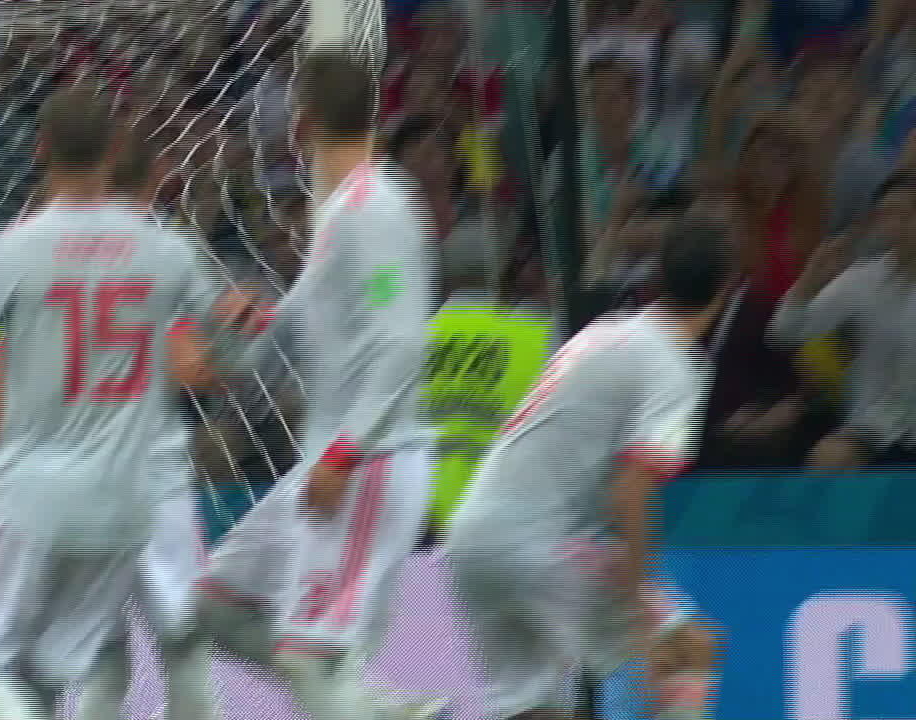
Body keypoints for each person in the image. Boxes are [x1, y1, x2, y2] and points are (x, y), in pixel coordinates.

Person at [0, 86, 247, 720]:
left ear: (39, 150)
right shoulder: (165, 247)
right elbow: (227, 333)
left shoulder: (11, 249)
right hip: (131, 498)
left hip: (35, 492)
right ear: (111, 149)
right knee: (132, 657)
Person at [192, 48, 440, 720]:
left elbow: (401, 340)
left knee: (308, 656)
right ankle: (364, 705)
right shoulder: (345, 209)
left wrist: (345, 453)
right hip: (330, 461)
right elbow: (324, 313)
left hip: (367, 461)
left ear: (300, 124)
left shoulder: (374, 209)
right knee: (215, 607)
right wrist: (260, 321)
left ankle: (356, 701)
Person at [445, 212, 733, 720]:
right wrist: (639, 595)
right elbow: (631, 485)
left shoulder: (603, 332)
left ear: (659, 275)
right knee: (689, 649)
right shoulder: (675, 364)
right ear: (727, 288)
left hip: (470, 544)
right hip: (537, 544)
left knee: (532, 710)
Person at [71, 128, 234, 720]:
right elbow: (191, 365)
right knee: (184, 639)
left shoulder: (47, 247)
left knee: (101, 653)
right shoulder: (166, 250)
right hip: (147, 469)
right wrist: (227, 353)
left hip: (71, 470)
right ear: (159, 177)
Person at [767, 174, 916, 470]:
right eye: (889, 214)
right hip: (874, 427)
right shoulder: (862, 279)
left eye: (907, 213)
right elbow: (783, 334)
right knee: (829, 457)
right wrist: (810, 281)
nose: (898, 223)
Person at [420, 222, 555, 536]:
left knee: (425, 575)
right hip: (504, 523)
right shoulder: (541, 336)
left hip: (424, 520)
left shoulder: (419, 336)